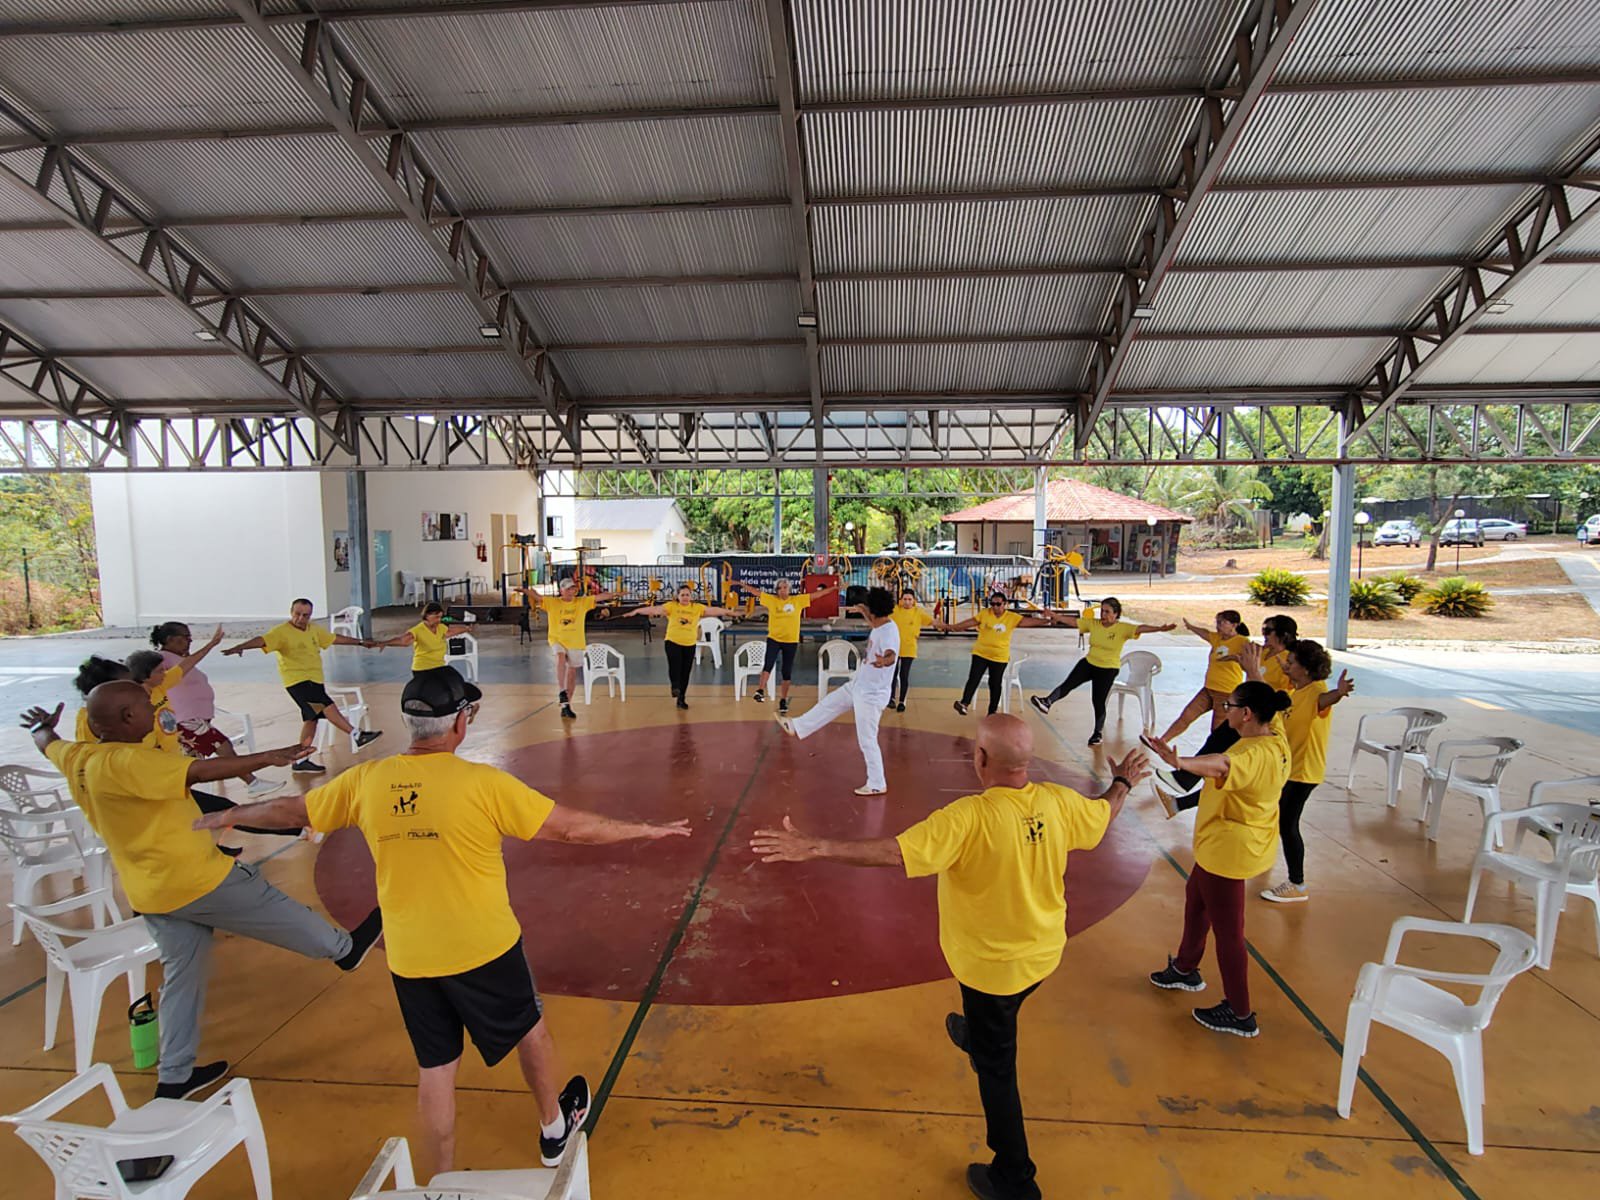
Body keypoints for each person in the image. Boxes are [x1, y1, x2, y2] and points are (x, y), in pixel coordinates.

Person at [194, 669, 692, 1176]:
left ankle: (440, 1178)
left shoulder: (367, 781)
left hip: (410, 955)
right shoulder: (483, 784)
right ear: (459, 723)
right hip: (484, 948)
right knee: (530, 1032)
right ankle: (553, 1128)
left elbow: (292, 811)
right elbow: (572, 830)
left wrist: (232, 814)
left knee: (436, 1069)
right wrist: (645, 830)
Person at [752, 715, 1147, 1200]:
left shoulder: (968, 819)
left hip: (991, 970)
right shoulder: (1058, 802)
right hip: (1044, 952)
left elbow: (895, 853)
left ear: (980, 759)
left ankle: (1014, 1177)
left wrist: (814, 847)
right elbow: (1104, 813)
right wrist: (1123, 781)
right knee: (996, 1017)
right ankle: (978, 1034)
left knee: (997, 1069)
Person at [19, 687, 384, 1099]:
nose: (154, 712)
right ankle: (343, 949)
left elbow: (48, 744)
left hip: (150, 892)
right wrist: (268, 756)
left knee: (181, 978)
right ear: (126, 717)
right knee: (263, 901)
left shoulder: (78, 757)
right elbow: (198, 772)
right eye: (145, 708)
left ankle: (174, 1076)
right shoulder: (130, 761)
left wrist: (41, 729)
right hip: (195, 881)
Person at [1144, 679, 1291, 1038]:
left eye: (1230, 707)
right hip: (1223, 847)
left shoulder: (1251, 755)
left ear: (1246, 714)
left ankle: (1240, 1013)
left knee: (1229, 934)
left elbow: (1221, 765)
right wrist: (1254, 671)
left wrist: (1179, 762)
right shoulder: (1276, 736)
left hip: (1230, 852)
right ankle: (1185, 968)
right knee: (1196, 900)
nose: (1225, 712)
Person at [1150, 615, 1300, 810]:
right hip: (1248, 714)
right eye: (1263, 629)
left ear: (1283, 635)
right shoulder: (1262, 653)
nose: (1264, 634)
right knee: (1218, 745)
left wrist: (1180, 762)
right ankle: (1181, 792)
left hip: (1263, 720)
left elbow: (1284, 691)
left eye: (1268, 630)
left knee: (1225, 759)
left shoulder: (1288, 661)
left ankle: (1183, 784)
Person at [221, 599, 382, 774]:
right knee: (326, 704)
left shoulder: (313, 629)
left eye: (305, 615)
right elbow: (262, 640)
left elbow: (334, 638)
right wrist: (241, 646)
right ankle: (356, 734)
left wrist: (360, 642)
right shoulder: (281, 632)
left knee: (311, 719)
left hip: (315, 679)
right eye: (297, 614)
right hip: (297, 681)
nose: (300, 618)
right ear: (291, 612)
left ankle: (301, 760)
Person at [775, 586, 898, 796]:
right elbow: (873, 622)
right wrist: (863, 610)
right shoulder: (881, 622)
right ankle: (797, 726)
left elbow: (891, 655)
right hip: (860, 685)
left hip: (872, 695)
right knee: (830, 703)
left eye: (869, 610)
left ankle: (877, 783)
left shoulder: (888, 633)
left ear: (876, 611)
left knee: (867, 740)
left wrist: (883, 661)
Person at [144, 622, 281, 798]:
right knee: (222, 746)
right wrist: (211, 644)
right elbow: (164, 675)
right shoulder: (163, 659)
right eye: (186, 637)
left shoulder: (178, 657)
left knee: (188, 765)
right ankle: (252, 782)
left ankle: (172, 795)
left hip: (194, 718)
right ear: (170, 639)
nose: (190, 640)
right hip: (185, 719)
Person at [1028, 599, 1175, 745]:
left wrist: (1159, 629)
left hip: (1108, 669)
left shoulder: (1122, 628)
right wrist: (1054, 615)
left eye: (1107, 612)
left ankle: (1097, 734)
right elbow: (1074, 622)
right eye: (1102, 611)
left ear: (1116, 614)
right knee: (1069, 684)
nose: (1103, 615)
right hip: (1089, 662)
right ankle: (1047, 702)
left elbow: (1140, 628)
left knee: (1098, 701)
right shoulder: (1094, 624)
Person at [732, 577, 841, 715]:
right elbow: (755, 592)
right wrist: (740, 584)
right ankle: (760, 690)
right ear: (777, 590)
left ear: (789, 589)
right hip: (774, 638)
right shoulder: (772, 600)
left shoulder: (797, 600)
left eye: (785, 587)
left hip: (790, 641)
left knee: (786, 671)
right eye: (780, 588)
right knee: (768, 664)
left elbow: (816, 595)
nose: (782, 590)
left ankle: (783, 700)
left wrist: (833, 589)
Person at [940, 593, 1060, 717]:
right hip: (980, 653)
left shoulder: (1011, 617)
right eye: (992, 604)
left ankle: (992, 712)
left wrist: (1048, 621)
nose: (995, 607)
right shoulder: (985, 614)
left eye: (998, 604)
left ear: (1005, 604)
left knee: (995, 683)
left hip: (999, 657)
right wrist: (952, 627)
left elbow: (1029, 621)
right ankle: (964, 703)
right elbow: (970, 622)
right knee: (974, 678)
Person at [632, 584, 741, 710]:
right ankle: (675, 686)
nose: (685, 597)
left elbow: (714, 610)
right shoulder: (672, 606)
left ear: (691, 596)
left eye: (687, 595)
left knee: (685, 672)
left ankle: (681, 698)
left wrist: (730, 613)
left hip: (689, 644)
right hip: (673, 642)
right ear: (678, 596)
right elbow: (655, 609)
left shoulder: (697, 608)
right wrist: (637, 611)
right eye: (682, 595)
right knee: (675, 666)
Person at [533, 575, 620, 720]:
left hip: (575, 641)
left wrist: (616, 594)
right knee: (560, 657)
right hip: (557, 638)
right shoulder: (553, 603)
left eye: (572, 589)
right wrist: (525, 590)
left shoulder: (581, 602)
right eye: (568, 589)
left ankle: (566, 705)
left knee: (572, 672)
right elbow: (537, 597)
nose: (570, 591)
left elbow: (599, 597)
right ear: (561, 591)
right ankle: (562, 690)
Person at [1157, 610, 1251, 742]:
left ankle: (1216, 753)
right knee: (1187, 715)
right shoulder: (1217, 638)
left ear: (1234, 625)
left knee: (1217, 730)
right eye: (1217, 622)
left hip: (1226, 693)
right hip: (1208, 689)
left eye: (1222, 622)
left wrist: (1236, 658)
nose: (1218, 625)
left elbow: (1252, 661)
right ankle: (1162, 741)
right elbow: (1204, 633)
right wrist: (1190, 627)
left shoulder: (1242, 641)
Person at [376, 602, 459, 681]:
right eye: (436, 617)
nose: (439, 620)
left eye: (440, 617)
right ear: (427, 615)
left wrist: (465, 626)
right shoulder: (418, 630)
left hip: (439, 667)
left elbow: (452, 631)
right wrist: (384, 643)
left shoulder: (441, 627)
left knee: (455, 679)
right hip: (423, 669)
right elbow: (403, 641)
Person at [887, 587, 936, 712]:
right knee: (892, 674)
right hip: (894, 648)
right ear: (901, 600)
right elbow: (881, 617)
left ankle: (902, 701)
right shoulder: (894, 611)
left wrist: (948, 626)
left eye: (909, 599)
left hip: (909, 649)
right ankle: (891, 698)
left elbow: (932, 622)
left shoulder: (918, 612)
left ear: (914, 600)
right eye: (905, 599)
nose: (907, 602)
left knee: (904, 675)